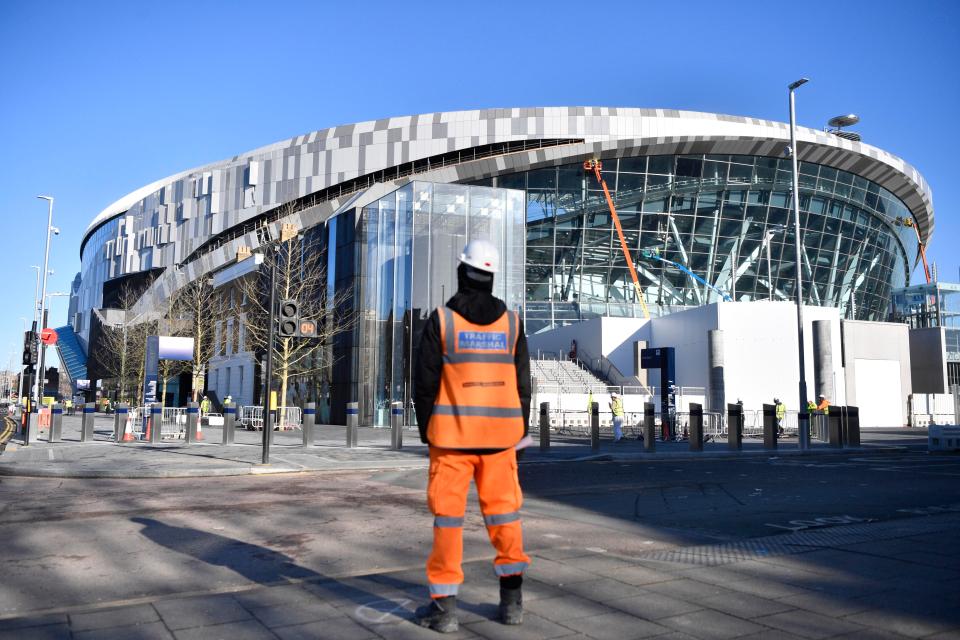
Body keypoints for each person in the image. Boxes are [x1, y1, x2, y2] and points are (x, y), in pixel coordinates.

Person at [413, 239, 531, 633]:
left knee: (448, 520)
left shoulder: (442, 321)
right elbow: (523, 385)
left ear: (462, 272)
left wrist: (428, 430)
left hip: (451, 441)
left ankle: (444, 609)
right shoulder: (512, 324)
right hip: (500, 441)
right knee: (505, 517)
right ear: (491, 276)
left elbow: (425, 384)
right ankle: (511, 602)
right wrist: (520, 430)